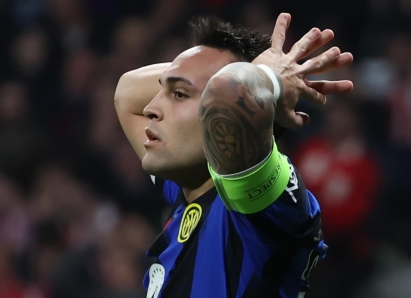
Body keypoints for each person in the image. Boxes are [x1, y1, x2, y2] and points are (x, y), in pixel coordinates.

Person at [114, 13, 353, 298]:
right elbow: (127, 92)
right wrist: (222, 72)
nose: (151, 107)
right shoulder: (191, 186)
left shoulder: (258, 210)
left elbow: (227, 97)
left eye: (179, 94)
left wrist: (268, 78)